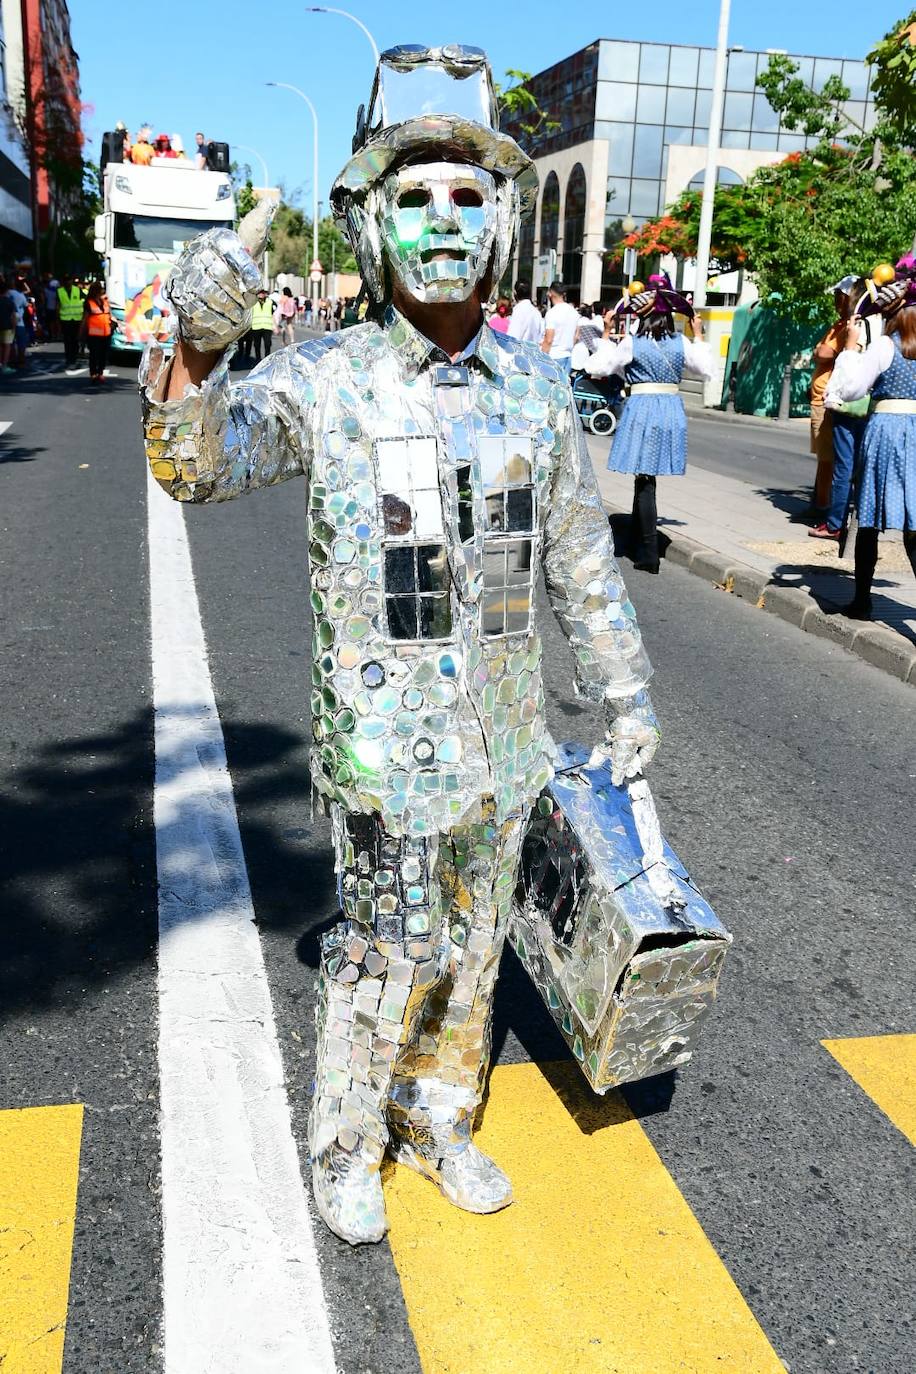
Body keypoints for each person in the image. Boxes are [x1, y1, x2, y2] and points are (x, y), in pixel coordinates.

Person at [139, 45, 658, 1248]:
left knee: (474, 958)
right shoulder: (323, 380)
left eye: (465, 199)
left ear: (502, 226)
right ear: (372, 228)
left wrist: (626, 695)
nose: (439, 224)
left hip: (507, 745)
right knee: (383, 952)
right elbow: (194, 466)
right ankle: (346, 1139)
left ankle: (437, 1119)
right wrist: (199, 347)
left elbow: (582, 561)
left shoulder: (536, 390)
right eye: (412, 199)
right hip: (382, 752)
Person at [586, 272, 715, 573]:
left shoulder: (634, 341)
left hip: (642, 408)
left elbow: (600, 366)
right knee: (646, 479)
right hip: (670, 410)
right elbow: (705, 369)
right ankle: (638, 541)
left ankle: (648, 553)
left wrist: (605, 334)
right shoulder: (680, 341)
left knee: (644, 482)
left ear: (642, 317)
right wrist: (699, 335)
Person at [826, 255, 916, 618]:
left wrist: (849, 349)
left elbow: (850, 389)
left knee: (870, 518)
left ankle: (862, 601)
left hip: (887, 430)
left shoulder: (884, 345)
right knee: (915, 525)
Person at [811, 276, 871, 541]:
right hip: (847, 404)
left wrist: (841, 347)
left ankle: (835, 521)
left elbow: (839, 361)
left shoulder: (855, 327)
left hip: (847, 404)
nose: (836, 302)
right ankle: (834, 515)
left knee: (842, 465)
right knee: (841, 464)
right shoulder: (847, 325)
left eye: (841, 297)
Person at [808, 284, 855, 521]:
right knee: (823, 456)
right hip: (820, 399)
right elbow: (820, 350)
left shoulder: (848, 326)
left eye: (839, 296)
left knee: (829, 457)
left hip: (828, 400)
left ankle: (824, 507)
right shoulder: (837, 325)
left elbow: (824, 353)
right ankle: (820, 501)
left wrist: (821, 350)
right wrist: (820, 350)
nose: (836, 301)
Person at [541, 280, 579, 373]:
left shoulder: (552, 313)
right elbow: (577, 336)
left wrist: (541, 359)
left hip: (554, 356)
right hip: (568, 356)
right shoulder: (574, 312)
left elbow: (548, 340)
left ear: (550, 294)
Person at [82, 279, 113, 383]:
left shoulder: (105, 302)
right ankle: (93, 373)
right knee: (94, 355)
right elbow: (85, 318)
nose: (102, 291)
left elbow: (109, 314)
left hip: (106, 333)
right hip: (93, 334)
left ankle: (100, 372)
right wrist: (81, 332)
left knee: (103, 355)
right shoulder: (89, 303)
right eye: (100, 289)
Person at [57, 273, 84, 369]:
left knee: (75, 340)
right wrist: (58, 320)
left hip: (76, 319)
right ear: (63, 281)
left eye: (69, 280)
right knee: (68, 341)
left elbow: (84, 301)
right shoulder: (60, 291)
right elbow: (58, 305)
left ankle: (74, 357)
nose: (68, 282)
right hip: (65, 320)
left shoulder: (77, 290)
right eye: (66, 280)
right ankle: (69, 359)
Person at [507, 278, 543, 344]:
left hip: (519, 352)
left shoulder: (518, 311)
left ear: (515, 293)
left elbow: (512, 338)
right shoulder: (536, 312)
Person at [249, 286, 273, 361]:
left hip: (267, 326)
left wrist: (275, 325)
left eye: (263, 293)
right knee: (257, 345)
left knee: (267, 344)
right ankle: (258, 359)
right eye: (260, 293)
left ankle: (267, 359)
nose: (261, 294)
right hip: (256, 326)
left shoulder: (270, 301)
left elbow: (274, 313)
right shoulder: (253, 302)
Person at [0, 279, 17, 374]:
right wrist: (14, 328)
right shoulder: (9, 302)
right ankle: (4, 366)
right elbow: (13, 316)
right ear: (6, 291)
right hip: (7, 327)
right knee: (7, 346)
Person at [43, 271, 60, 341]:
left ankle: (58, 335)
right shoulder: (45, 287)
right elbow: (44, 297)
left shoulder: (55, 283)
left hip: (56, 306)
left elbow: (59, 293)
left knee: (57, 321)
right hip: (49, 306)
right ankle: (53, 335)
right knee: (52, 322)